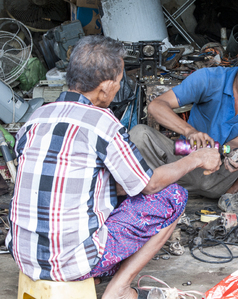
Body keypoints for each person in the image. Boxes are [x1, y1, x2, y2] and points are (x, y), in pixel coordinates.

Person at [6, 35, 222, 299]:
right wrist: (197, 159)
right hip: (70, 263)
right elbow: (150, 183)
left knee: (114, 193)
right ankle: (119, 289)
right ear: (106, 87)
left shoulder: (37, 117)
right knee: (172, 196)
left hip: (23, 255)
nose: (120, 87)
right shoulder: (101, 123)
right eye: (119, 82)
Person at [130, 36, 238, 213]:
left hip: (224, 176)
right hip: (182, 164)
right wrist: (189, 131)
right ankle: (147, 197)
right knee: (139, 134)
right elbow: (156, 106)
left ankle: (230, 198)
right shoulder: (208, 79)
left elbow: (237, 143)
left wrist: (235, 152)